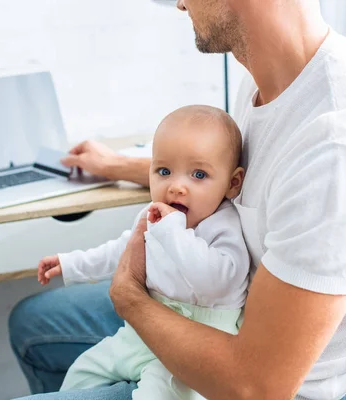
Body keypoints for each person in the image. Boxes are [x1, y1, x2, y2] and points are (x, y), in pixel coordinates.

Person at [9, 0, 346, 399]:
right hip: (216, 307)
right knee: (33, 322)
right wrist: (120, 165)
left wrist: (130, 298)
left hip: (258, 377)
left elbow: (257, 387)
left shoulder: (341, 152)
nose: (179, 2)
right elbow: (219, 178)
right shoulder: (266, 77)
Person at [36, 105, 249, 399]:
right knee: (83, 371)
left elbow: (218, 281)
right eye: (164, 171)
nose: (176, 187)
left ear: (232, 183)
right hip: (141, 333)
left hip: (197, 341)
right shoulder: (156, 217)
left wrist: (173, 232)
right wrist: (72, 264)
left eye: (198, 174)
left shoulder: (223, 226)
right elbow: (123, 251)